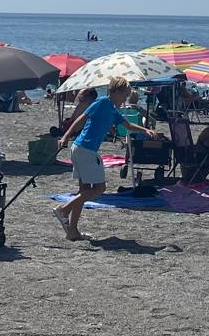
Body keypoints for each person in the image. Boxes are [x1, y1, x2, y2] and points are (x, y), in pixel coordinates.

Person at [56, 77, 153, 241]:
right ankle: (64, 209)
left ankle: (72, 231)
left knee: (84, 191)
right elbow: (82, 118)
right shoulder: (102, 102)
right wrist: (66, 135)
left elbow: (127, 126)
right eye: (124, 95)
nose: (125, 100)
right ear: (116, 91)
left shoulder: (114, 110)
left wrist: (145, 130)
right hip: (84, 149)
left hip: (82, 150)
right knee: (99, 188)